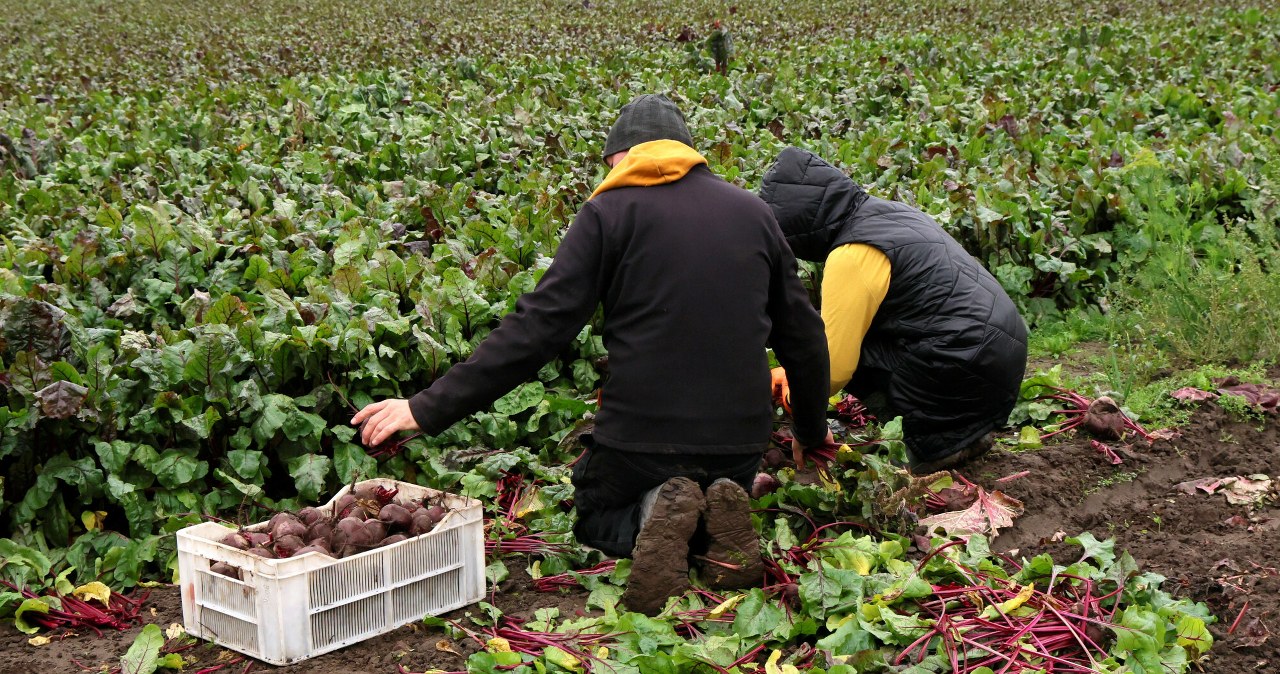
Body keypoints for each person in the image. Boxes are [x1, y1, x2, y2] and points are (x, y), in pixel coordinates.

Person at [351, 95, 832, 615]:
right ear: (687, 152)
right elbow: (804, 340)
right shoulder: (755, 213)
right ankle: (713, 517)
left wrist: (426, 407)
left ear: (622, 158)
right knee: (716, 486)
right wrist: (810, 430)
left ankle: (653, 513)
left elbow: (538, 328)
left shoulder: (608, 212)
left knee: (595, 512)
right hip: (739, 443)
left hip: (641, 443)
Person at [759, 146, 1028, 474]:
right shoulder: (893, 214)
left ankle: (933, 450)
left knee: (828, 359)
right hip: (1003, 354)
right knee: (858, 340)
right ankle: (966, 437)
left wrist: (804, 419)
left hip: (963, 360)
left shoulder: (851, 254)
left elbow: (830, 370)